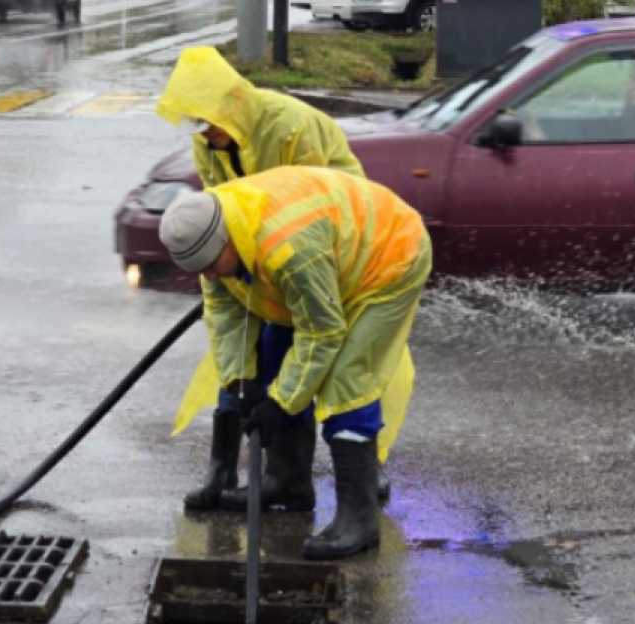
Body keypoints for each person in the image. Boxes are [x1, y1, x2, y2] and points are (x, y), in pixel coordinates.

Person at [159, 166, 431, 560]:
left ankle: (360, 519)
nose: (208, 275)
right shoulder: (214, 238)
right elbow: (226, 314)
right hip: (327, 259)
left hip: (387, 258)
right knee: (272, 357)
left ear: (228, 241)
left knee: (345, 382)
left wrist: (280, 403)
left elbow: (322, 332)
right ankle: (287, 484)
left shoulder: (288, 247)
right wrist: (244, 379)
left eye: (212, 264)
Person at [155, 45, 367, 514]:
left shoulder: (290, 126)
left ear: (230, 106)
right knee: (237, 352)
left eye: (209, 123)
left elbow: (319, 203)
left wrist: (275, 273)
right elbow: (218, 211)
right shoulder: (207, 142)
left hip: (318, 246)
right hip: (251, 250)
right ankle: (225, 467)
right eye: (197, 126)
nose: (206, 137)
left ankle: (346, 474)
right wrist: (224, 270)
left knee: (315, 353)